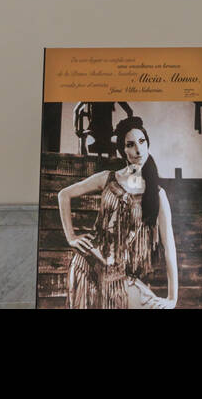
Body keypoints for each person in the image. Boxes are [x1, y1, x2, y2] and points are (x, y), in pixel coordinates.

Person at [57, 115, 178, 308]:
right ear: (123, 150)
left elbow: (169, 246)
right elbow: (64, 195)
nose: (138, 150)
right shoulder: (107, 179)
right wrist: (71, 237)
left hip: (120, 275)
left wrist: (172, 298)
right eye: (130, 144)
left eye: (141, 141)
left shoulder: (156, 194)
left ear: (148, 144)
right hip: (88, 265)